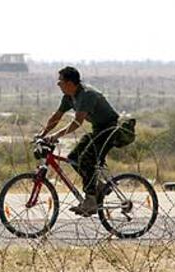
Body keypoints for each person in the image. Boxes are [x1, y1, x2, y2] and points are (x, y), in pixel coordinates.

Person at [38, 66, 119, 216]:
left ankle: (91, 201)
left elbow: (77, 122)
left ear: (70, 83)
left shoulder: (87, 95)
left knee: (86, 158)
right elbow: (57, 116)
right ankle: (99, 186)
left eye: (60, 81)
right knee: (73, 158)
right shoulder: (69, 96)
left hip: (110, 129)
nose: (58, 84)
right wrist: (42, 134)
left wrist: (56, 136)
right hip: (98, 130)